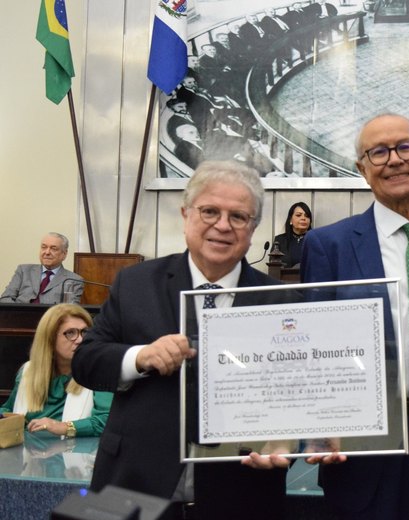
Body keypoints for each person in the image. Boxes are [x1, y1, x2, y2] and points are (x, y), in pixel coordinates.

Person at [71, 161, 295, 520]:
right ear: (186, 214)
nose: (222, 225)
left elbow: (300, 392)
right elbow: (85, 361)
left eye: (238, 216)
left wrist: (289, 440)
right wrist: (141, 356)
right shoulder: (135, 283)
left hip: (242, 495)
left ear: (253, 228)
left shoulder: (283, 300)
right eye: (209, 211)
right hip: (135, 489)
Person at [300, 113, 409, 520]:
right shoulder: (329, 245)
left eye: (404, 147)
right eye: (378, 152)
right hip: (364, 454)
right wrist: (317, 427)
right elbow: (313, 346)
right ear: (362, 169)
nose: (394, 160)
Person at [0, 304, 112, 437]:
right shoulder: (28, 371)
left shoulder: (99, 371)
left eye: (85, 332)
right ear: (50, 339)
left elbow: (107, 421)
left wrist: (64, 427)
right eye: (70, 333)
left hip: (75, 453)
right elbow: (9, 410)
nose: (80, 340)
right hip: (29, 454)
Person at [1, 233, 83, 304]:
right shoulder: (24, 271)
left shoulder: (73, 280)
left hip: (52, 321)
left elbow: (69, 309)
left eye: (53, 249)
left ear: (64, 254)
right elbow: (5, 298)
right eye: (44, 247)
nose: (47, 252)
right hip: (18, 319)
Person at [272, 201, 313, 267]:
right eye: (298, 215)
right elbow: (274, 267)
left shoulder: (316, 241)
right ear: (290, 220)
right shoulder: (279, 240)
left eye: (307, 216)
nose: (303, 218)